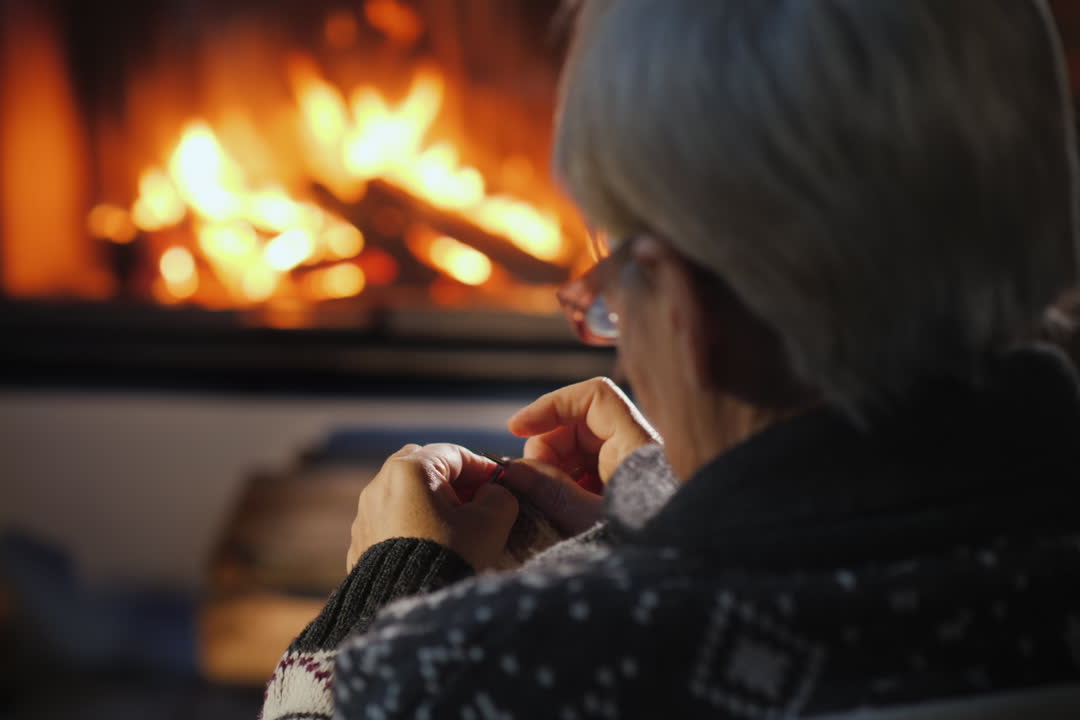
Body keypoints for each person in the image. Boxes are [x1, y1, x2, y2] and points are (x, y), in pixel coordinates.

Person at [262, 0, 1080, 717]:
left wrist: (390, 583)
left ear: (686, 313)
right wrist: (666, 508)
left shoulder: (478, 674)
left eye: (612, 279)